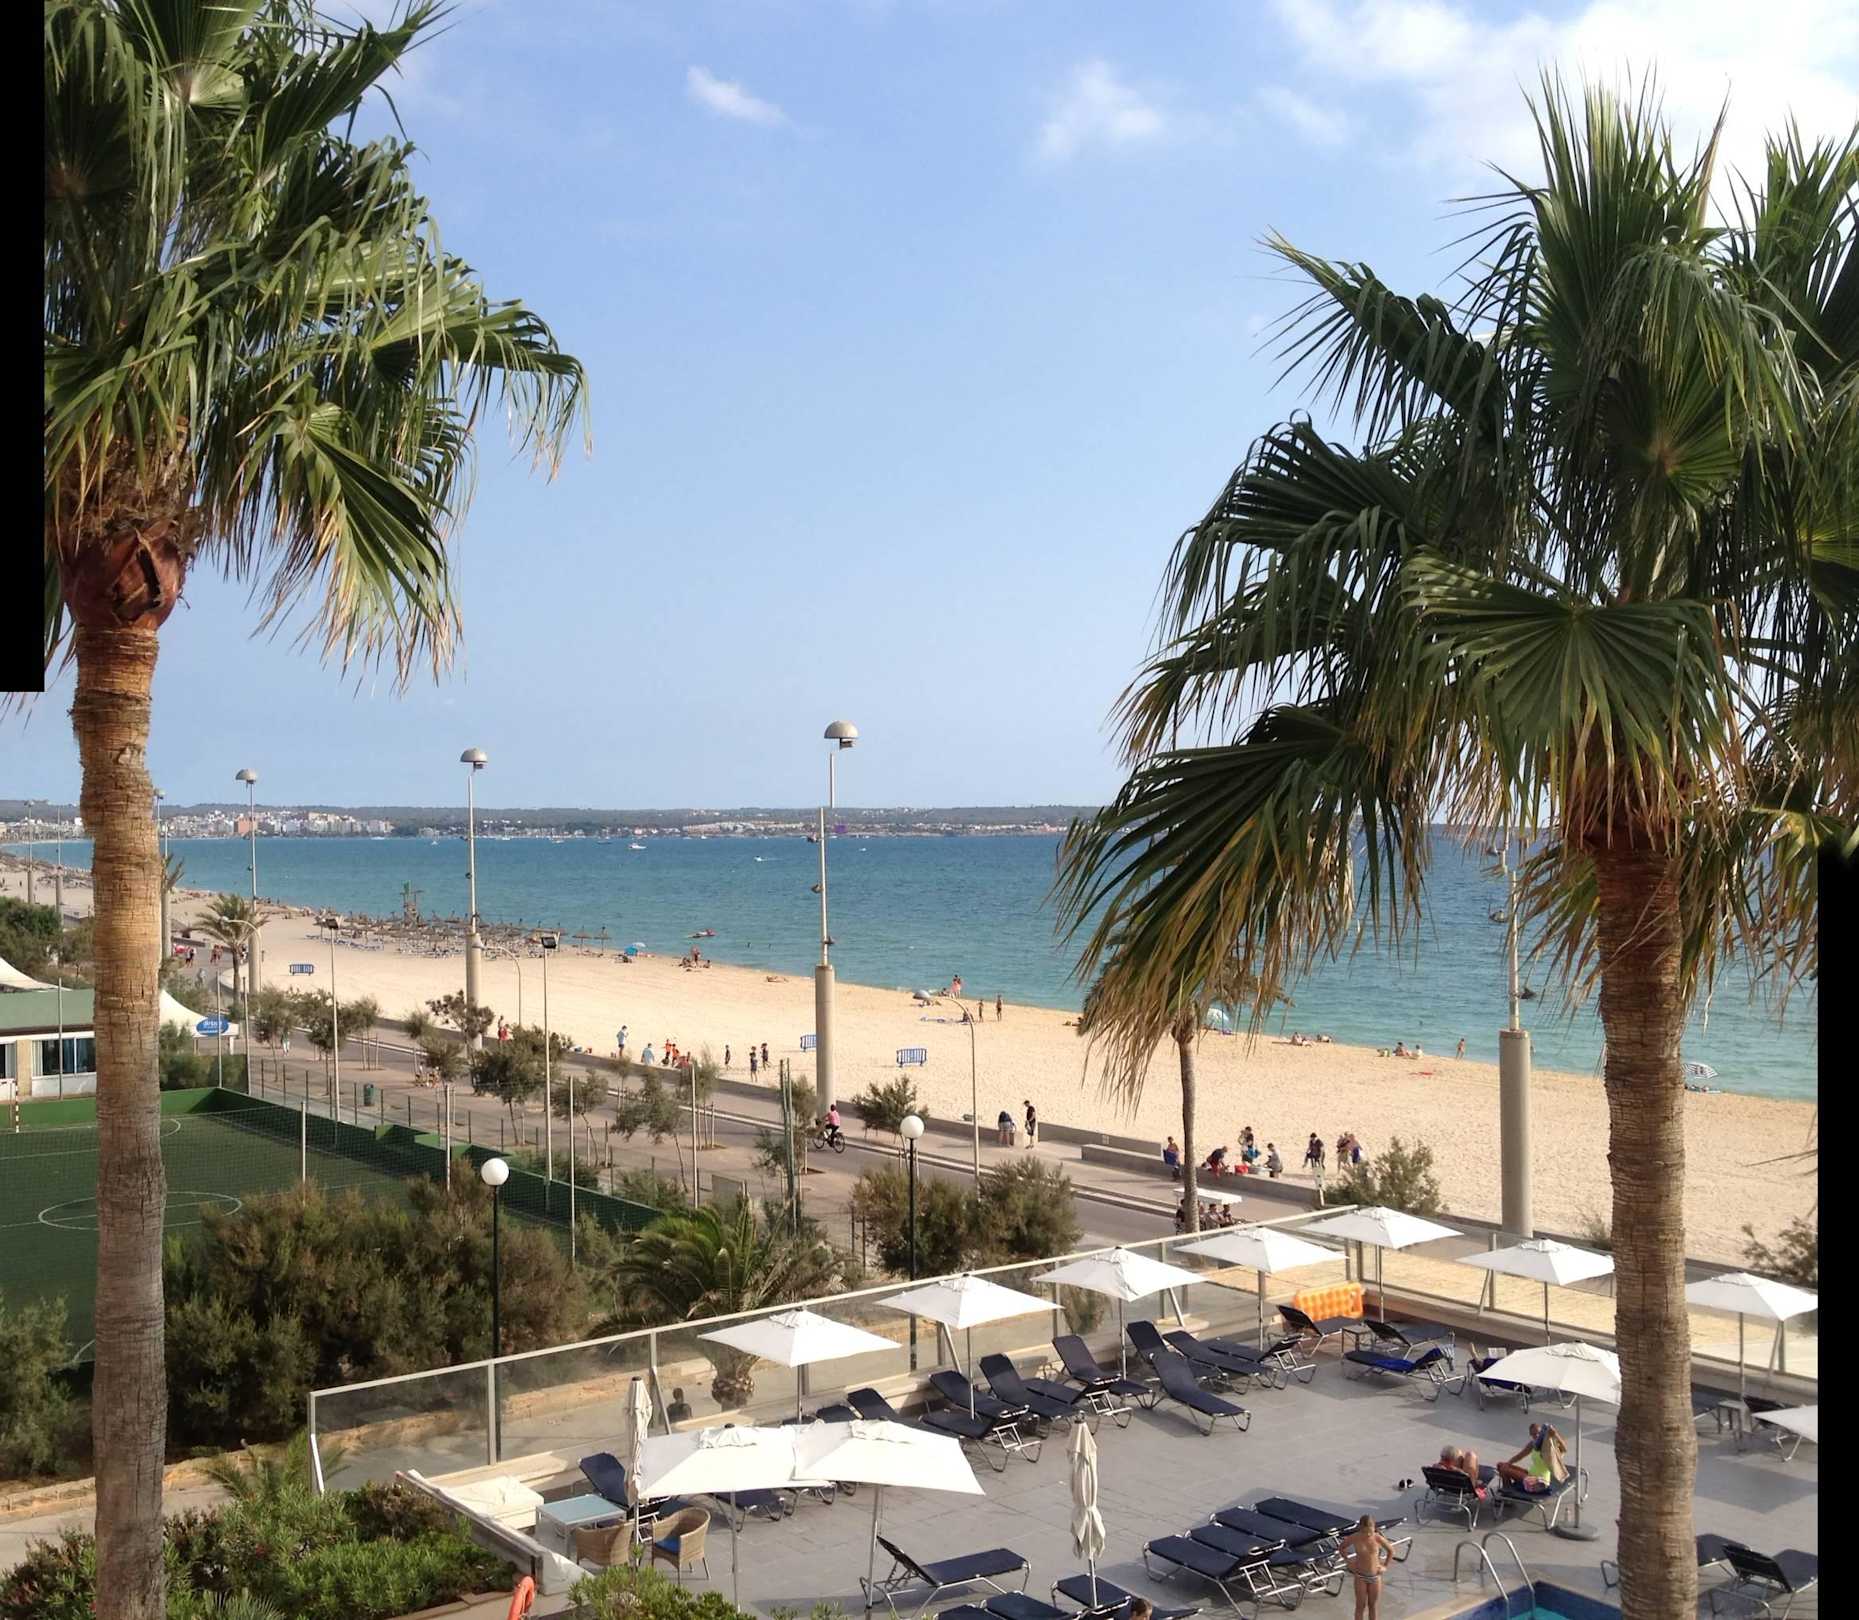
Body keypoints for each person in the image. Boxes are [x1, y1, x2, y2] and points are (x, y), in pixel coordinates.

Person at [1339, 1515, 1394, 1620]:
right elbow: (1342, 1547)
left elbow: (1391, 1551)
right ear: (1360, 1528)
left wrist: (1385, 1566)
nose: (1368, 1534)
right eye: (1365, 1532)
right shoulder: (1355, 1537)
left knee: (1372, 1606)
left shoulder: (1377, 1538)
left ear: (1374, 1528)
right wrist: (1348, 1562)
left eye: (1370, 1532)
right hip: (1360, 1576)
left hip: (1375, 1576)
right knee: (1360, 1606)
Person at [1496, 1424, 1568, 1491]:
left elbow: (1564, 1448)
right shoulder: (1533, 1444)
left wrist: (1555, 1434)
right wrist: (1508, 1463)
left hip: (1540, 1482)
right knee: (1500, 1465)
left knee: (1504, 1469)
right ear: (1530, 1435)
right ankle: (1508, 1489)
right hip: (1529, 1475)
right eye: (1534, 1434)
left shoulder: (1549, 1446)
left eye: (1538, 1433)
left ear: (1542, 1433)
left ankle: (1508, 1491)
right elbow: (1519, 1456)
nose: (1537, 1435)